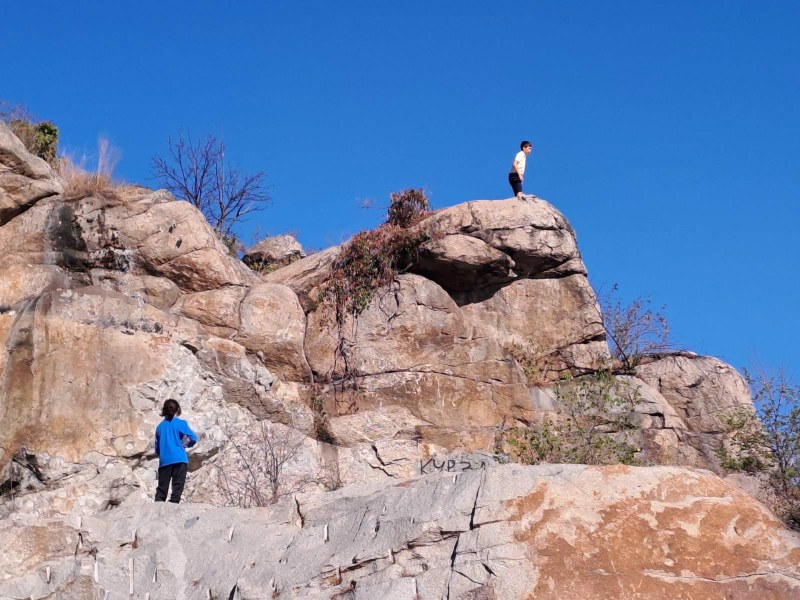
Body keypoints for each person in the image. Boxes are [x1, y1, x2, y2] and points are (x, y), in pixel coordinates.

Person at [154, 399, 197, 503]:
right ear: (178, 409)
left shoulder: (159, 427)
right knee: (177, 485)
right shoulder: (181, 423)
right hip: (179, 458)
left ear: (164, 410)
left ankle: (158, 506)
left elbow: (157, 449)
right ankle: (174, 503)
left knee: (162, 488)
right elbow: (193, 438)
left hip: (165, 461)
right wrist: (184, 444)